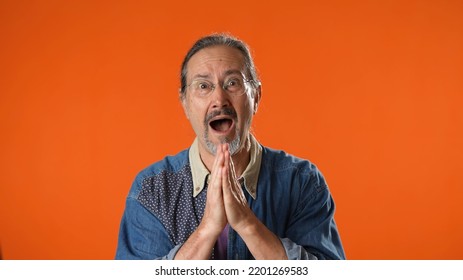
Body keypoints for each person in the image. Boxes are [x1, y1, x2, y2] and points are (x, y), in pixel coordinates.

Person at [115, 34, 345, 260]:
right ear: (184, 103)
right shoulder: (152, 189)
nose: (219, 99)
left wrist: (247, 224)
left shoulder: (302, 182)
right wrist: (207, 230)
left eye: (232, 83)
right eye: (203, 86)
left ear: (257, 96)